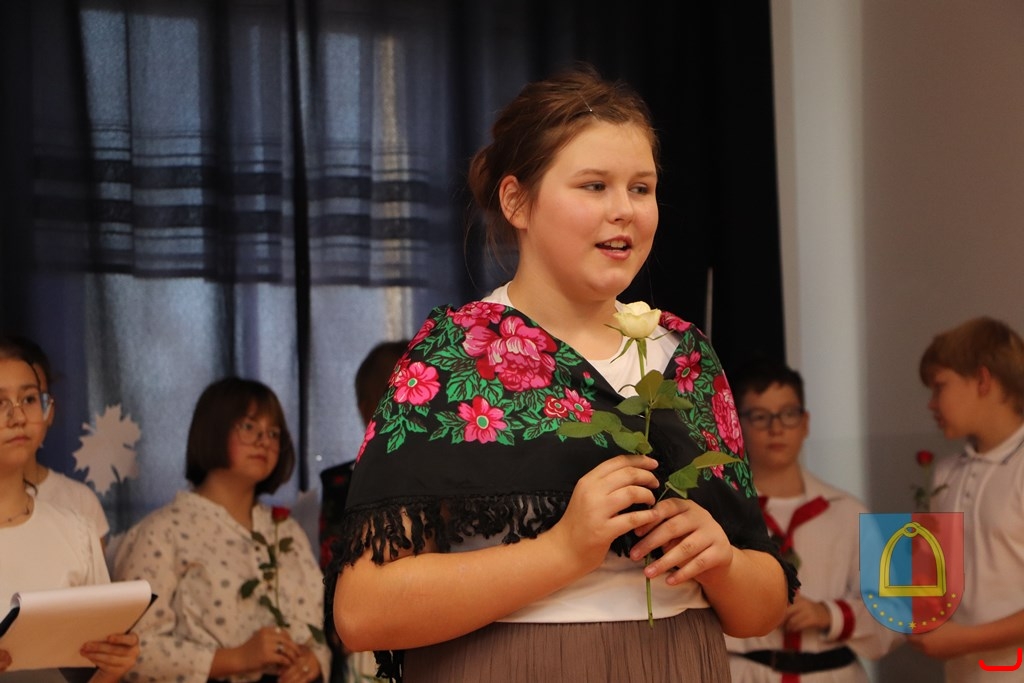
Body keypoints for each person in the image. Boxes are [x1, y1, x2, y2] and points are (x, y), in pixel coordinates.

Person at [328, 64, 795, 683]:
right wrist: (563, 550)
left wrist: (723, 563)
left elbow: (763, 608)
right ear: (516, 201)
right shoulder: (455, 356)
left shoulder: (686, 356)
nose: (624, 211)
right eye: (594, 186)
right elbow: (362, 612)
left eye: (641, 188)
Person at [113, 377, 330, 683]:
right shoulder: (162, 531)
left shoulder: (287, 530)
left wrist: (313, 660)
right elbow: (132, 653)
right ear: (213, 430)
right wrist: (237, 658)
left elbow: (318, 632)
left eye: (273, 432)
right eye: (249, 427)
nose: (264, 441)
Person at [724, 358, 903, 682]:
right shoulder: (724, 513)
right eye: (760, 416)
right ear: (737, 424)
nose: (776, 428)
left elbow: (894, 617)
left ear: (805, 423)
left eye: (788, 414)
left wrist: (829, 614)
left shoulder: (847, 512)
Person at [0, 337, 140, 682]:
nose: (17, 417)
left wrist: (111, 668)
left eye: (28, 399)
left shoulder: (76, 531)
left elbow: (91, 666)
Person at [909, 316, 1024, 681]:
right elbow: (935, 577)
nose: (931, 404)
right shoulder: (945, 472)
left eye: (939, 386)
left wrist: (965, 639)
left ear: (983, 380)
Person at [319, 340, 409, 683]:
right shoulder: (341, 484)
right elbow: (331, 565)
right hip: (361, 641)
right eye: (399, 391)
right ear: (367, 408)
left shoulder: (451, 480)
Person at [4, 335, 110, 546]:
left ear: (50, 409)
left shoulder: (78, 507)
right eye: (1, 402)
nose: (19, 417)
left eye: (30, 399)